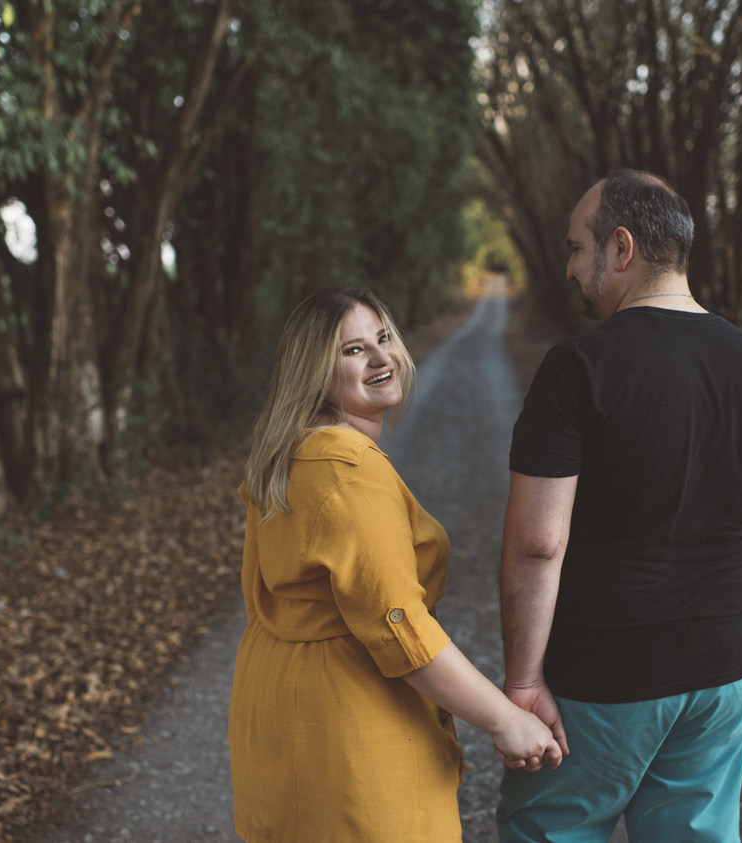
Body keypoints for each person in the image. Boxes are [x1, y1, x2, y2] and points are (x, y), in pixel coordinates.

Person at [496, 170, 742, 842]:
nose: (568, 267)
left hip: (600, 680)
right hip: (722, 677)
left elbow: (538, 542)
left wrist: (524, 680)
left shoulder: (578, 368)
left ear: (621, 247)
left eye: (575, 248)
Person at [228, 287, 559, 842]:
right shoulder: (346, 467)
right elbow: (399, 627)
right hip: (348, 721)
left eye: (383, 338)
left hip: (279, 708)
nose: (382, 358)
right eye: (353, 350)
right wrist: (505, 719)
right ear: (312, 371)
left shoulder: (293, 451)